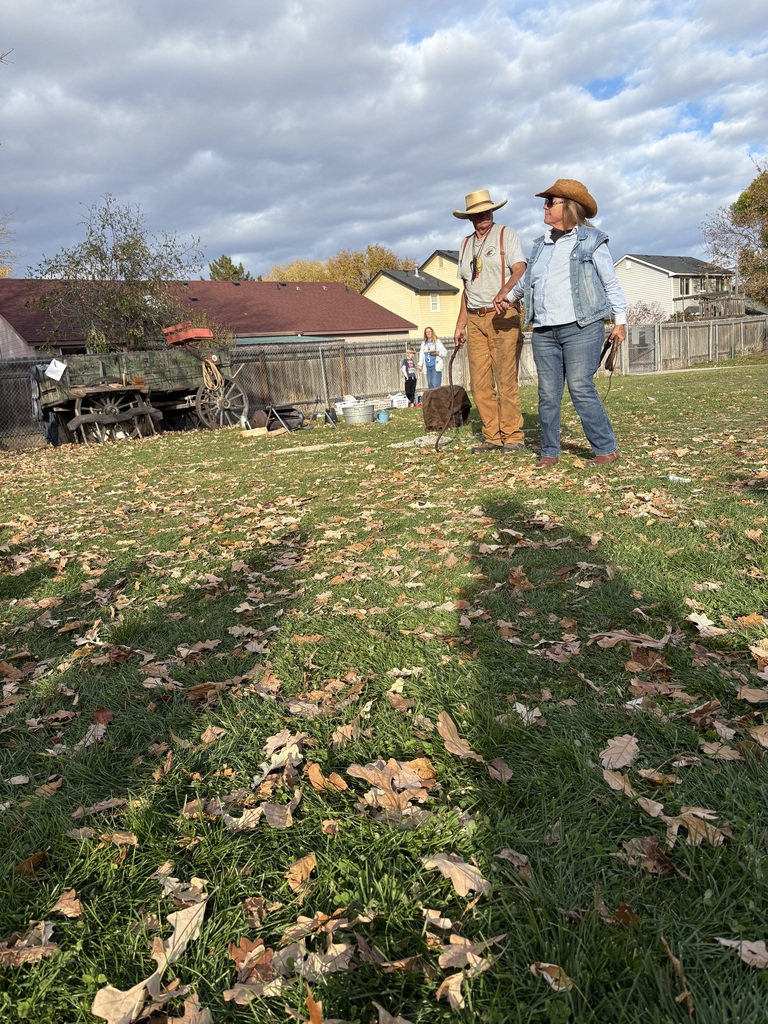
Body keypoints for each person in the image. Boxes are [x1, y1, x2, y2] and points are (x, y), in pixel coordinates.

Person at [498, 178, 626, 469]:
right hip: (544, 330)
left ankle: (605, 448)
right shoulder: (540, 245)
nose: (544, 206)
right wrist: (508, 296)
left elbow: (611, 283)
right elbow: (530, 281)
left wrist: (620, 322)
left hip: (582, 327)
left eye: (550, 202)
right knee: (547, 394)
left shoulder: (592, 241)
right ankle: (549, 452)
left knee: (580, 387)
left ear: (568, 206)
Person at [453, 189, 527, 454]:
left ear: (493, 211)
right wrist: (460, 325)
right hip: (474, 319)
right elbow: (466, 287)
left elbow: (520, 268)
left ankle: (513, 436)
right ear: (469, 218)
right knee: (480, 383)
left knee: (506, 379)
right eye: (476, 213)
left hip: (503, 316)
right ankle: (493, 437)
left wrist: (505, 290)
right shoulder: (464, 244)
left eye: (486, 211)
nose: (483, 216)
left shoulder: (507, 235)